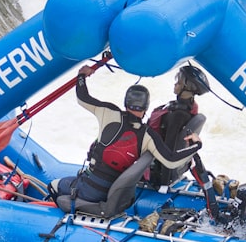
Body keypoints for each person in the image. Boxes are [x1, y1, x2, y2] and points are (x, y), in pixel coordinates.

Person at [51, 63, 202, 206]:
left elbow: (82, 98)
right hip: (114, 193)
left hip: (88, 187)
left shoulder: (108, 112)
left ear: (125, 102)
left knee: (53, 186)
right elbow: (171, 160)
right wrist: (197, 145)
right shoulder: (148, 135)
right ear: (146, 107)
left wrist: (82, 76)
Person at [146, 64, 211, 187]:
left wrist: (164, 185)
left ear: (187, 88)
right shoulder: (189, 107)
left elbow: (170, 149)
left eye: (179, 82)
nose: (175, 84)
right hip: (173, 167)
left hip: (156, 167)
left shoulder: (178, 116)